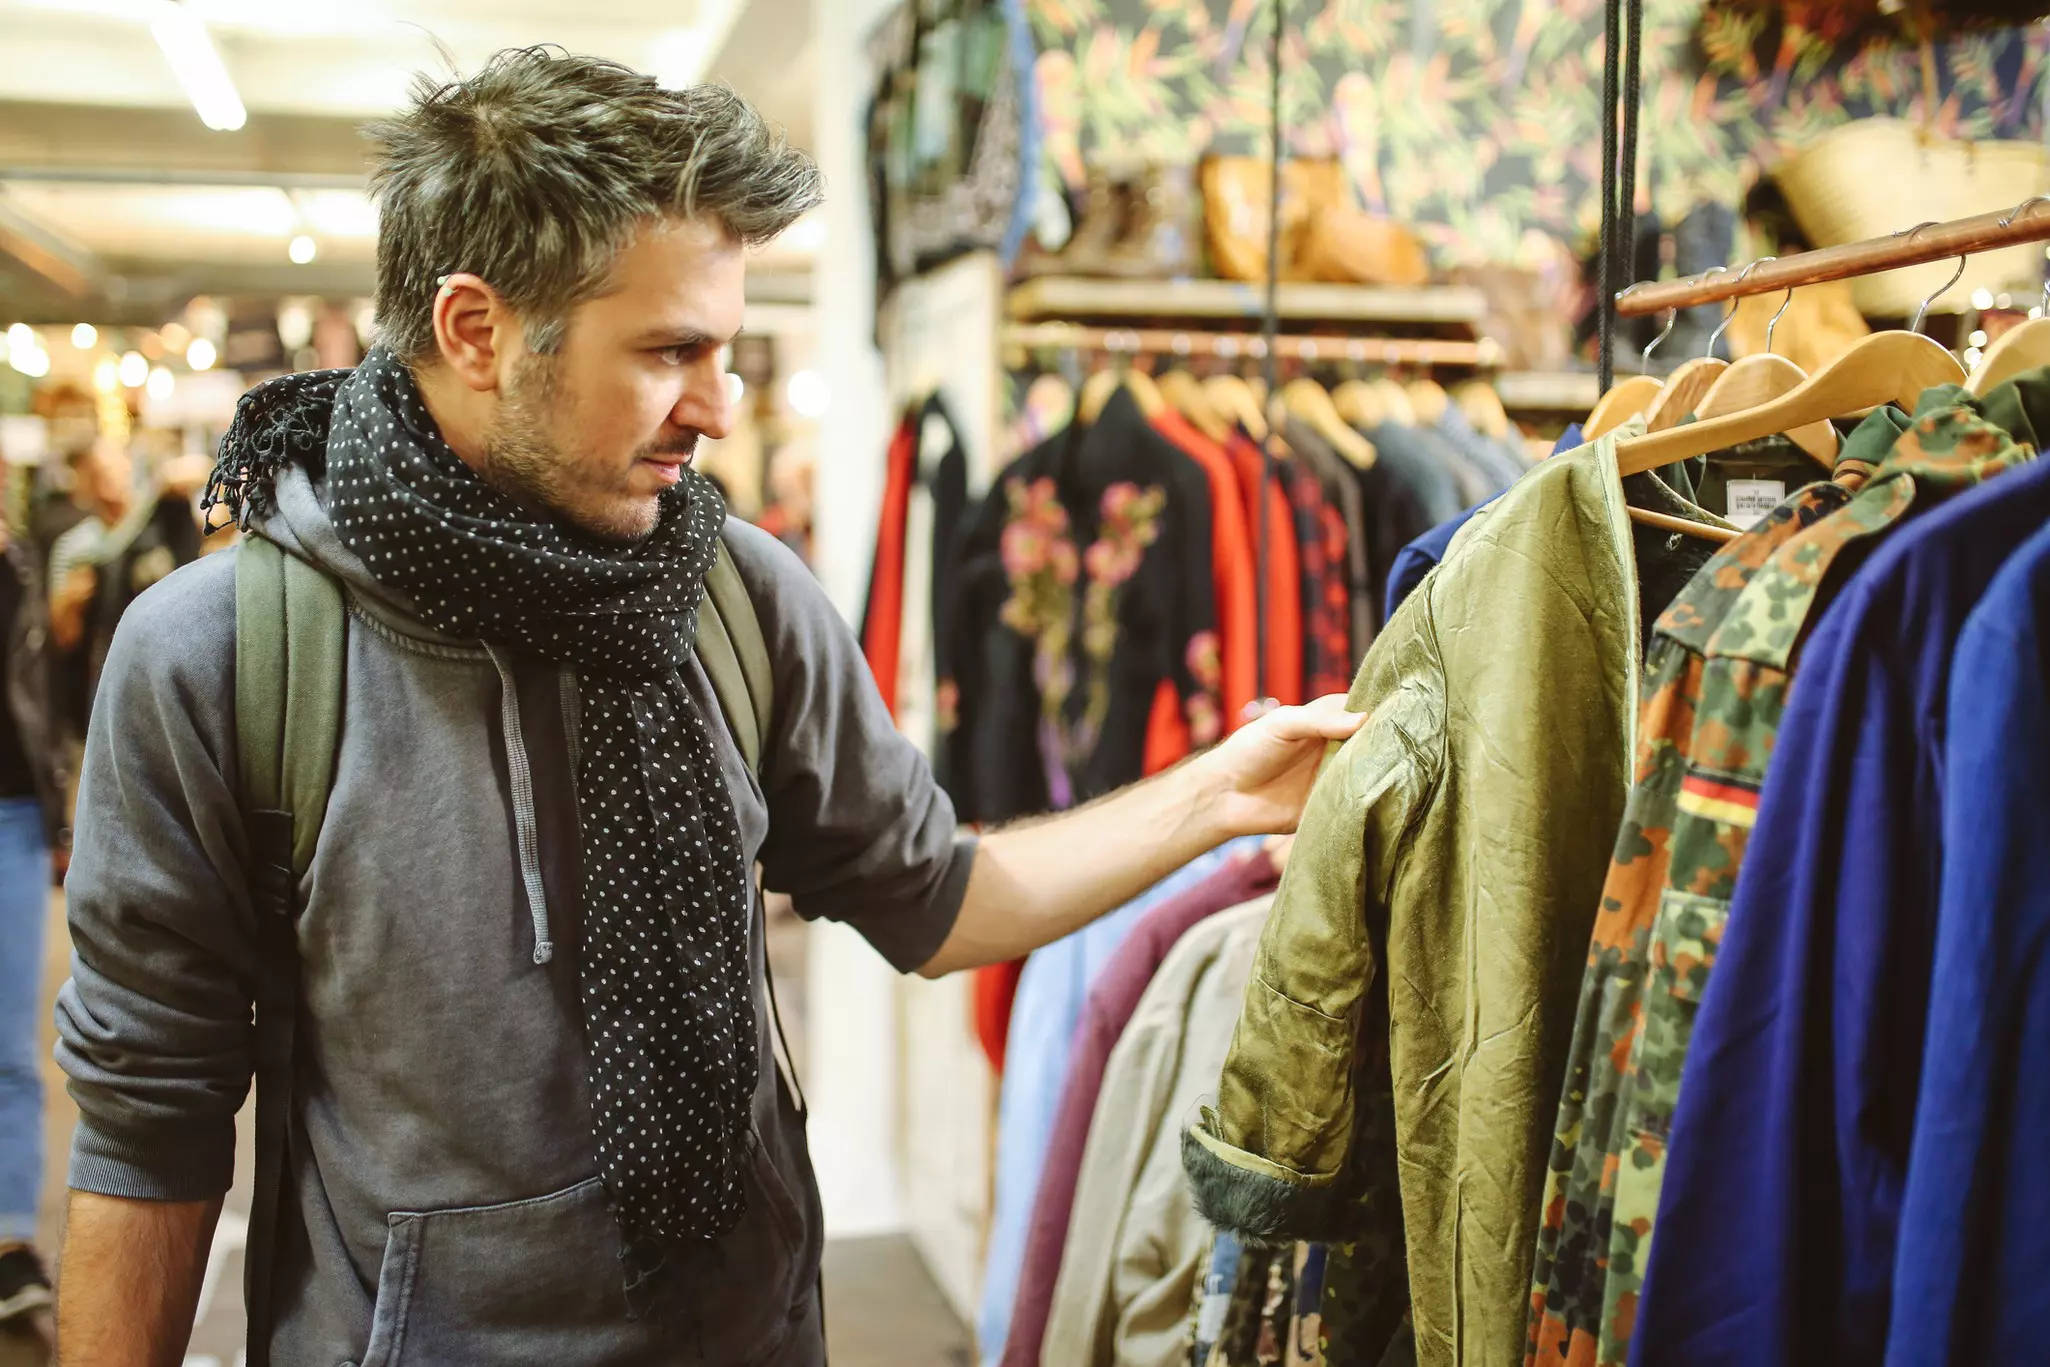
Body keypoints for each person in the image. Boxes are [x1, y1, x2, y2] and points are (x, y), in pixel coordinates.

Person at [50, 49, 1362, 1366]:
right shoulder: (223, 653)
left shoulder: (733, 593)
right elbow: (148, 1118)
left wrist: (1220, 793)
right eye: (671, 350)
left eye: (726, 349)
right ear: (474, 328)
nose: (719, 407)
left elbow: (935, 894)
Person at [0, 464, 69, 1326]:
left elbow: (39, 695)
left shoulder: (19, 559)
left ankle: (13, 1241)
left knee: (11, 1041)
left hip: (13, 813)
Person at [47, 435, 203, 739]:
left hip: (168, 667)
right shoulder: (77, 545)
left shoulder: (158, 527)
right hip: (108, 670)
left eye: (116, 468)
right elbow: (61, 634)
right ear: (85, 483)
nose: (110, 479)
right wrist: (69, 604)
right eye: (99, 472)